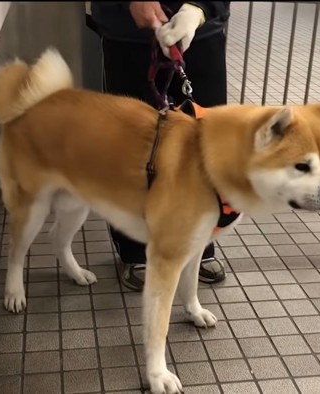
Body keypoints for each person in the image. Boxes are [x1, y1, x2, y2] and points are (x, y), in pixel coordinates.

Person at [87, 1, 231, 291]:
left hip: (201, 35)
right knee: (131, 149)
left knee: (206, 147)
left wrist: (199, 8)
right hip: (129, 35)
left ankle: (199, 242)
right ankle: (136, 248)